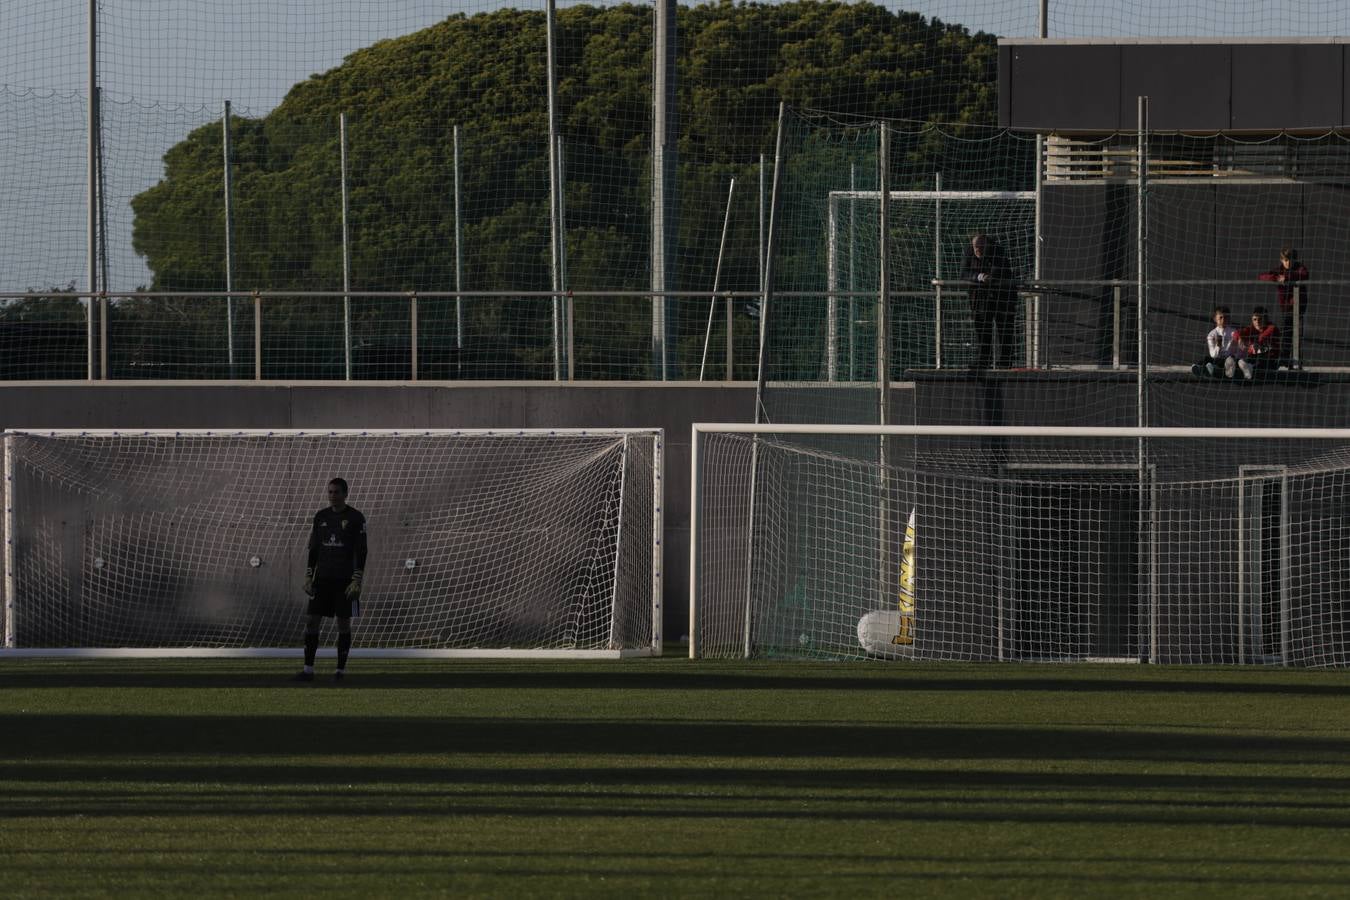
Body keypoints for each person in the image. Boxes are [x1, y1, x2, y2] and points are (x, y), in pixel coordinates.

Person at [296, 477, 367, 682]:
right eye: (330, 492)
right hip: (322, 580)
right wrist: (309, 577)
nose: (332, 496)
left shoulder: (356, 518)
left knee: (343, 624)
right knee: (312, 621)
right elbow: (314, 549)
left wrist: (357, 579)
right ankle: (308, 670)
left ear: (345, 494)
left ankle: (340, 671)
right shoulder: (320, 517)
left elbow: (362, 551)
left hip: (345, 581)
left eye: (336, 492)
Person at [962, 233, 1019, 369]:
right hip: (981, 297)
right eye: (976, 247)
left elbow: (1000, 270)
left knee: (1005, 330)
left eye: (981, 247)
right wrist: (979, 276)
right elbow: (964, 273)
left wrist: (990, 276)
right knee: (982, 329)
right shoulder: (968, 252)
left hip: (1003, 297)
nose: (978, 251)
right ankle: (983, 360)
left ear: (987, 245)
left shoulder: (998, 251)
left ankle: (1005, 362)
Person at [1257, 246, 1308, 367]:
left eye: (1290, 260)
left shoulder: (1299, 268)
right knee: (1289, 329)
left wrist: (1288, 278)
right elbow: (1262, 276)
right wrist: (1276, 278)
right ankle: (1288, 358)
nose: (1288, 263)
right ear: (1281, 260)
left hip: (1298, 304)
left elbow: (1304, 274)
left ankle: (1286, 358)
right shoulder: (1278, 270)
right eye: (1285, 260)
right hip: (1285, 306)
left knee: (1288, 329)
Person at [1191, 305, 1243, 378]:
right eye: (1220, 317)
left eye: (1226, 317)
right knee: (1206, 359)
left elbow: (1240, 350)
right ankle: (1200, 368)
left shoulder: (1234, 332)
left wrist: (1235, 355)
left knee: (1227, 362)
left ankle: (1211, 369)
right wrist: (1218, 345)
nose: (1223, 319)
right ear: (1215, 319)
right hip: (1217, 358)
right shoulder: (1212, 334)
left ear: (1229, 318)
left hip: (1230, 359)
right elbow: (1213, 354)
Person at [1233, 307, 1281, 381]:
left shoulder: (1272, 328)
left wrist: (1252, 345)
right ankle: (1234, 366)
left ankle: (1250, 367)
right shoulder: (1252, 328)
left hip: (1269, 359)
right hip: (1253, 357)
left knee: (1261, 360)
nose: (1257, 322)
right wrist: (1240, 338)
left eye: (1260, 319)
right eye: (1254, 319)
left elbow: (1263, 336)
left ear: (1266, 319)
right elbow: (1236, 333)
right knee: (1241, 360)